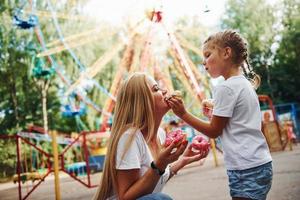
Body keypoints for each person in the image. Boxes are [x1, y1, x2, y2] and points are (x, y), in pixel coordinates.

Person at [167, 30, 273, 200]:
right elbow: (236, 124)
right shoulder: (245, 84)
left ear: (226, 52)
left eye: (208, 55)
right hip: (260, 163)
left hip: (244, 168)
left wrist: (183, 113)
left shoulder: (225, 88)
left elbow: (214, 131)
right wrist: (213, 115)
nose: (203, 62)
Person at [93, 72, 209, 200]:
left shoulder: (160, 133)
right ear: (143, 102)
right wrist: (160, 164)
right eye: (156, 89)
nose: (164, 91)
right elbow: (126, 197)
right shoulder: (130, 137)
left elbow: (154, 180)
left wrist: (182, 160)